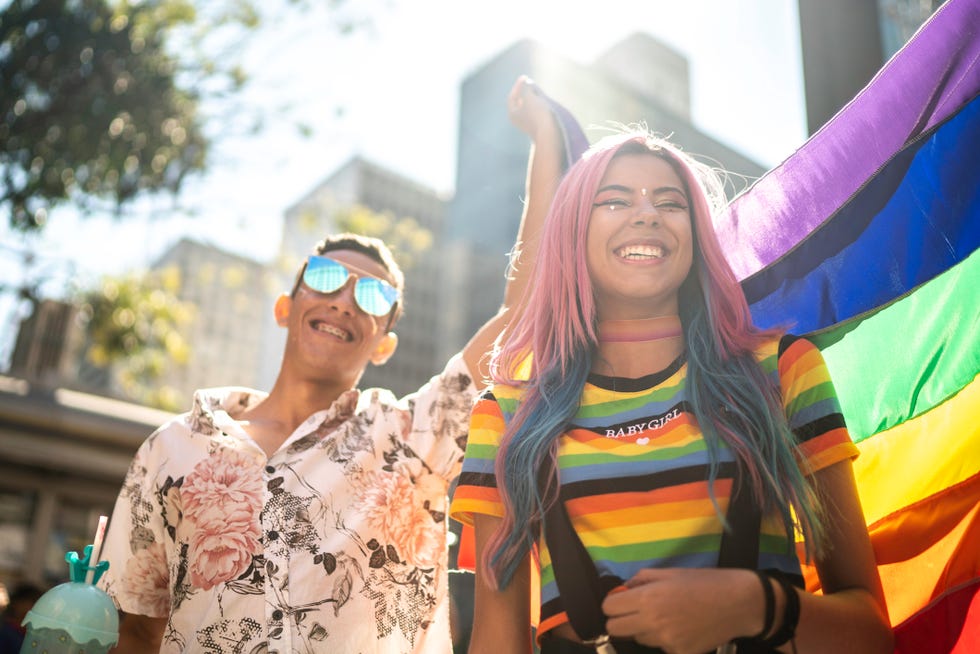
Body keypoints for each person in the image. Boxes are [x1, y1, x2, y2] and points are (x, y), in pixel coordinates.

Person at [96, 77, 564, 654]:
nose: (343, 299)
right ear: (286, 308)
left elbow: (521, 314)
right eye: (324, 278)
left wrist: (545, 137)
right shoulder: (171, 448)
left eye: (372, 298)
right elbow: (135, 628)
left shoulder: (410, 439)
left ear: (384, 344)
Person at [449, 123, 894, 652]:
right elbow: (497, 642)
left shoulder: (781, 371)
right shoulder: (506, 413)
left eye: (670, 202)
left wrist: (753, 605)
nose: (647, 214)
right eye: (613, 201)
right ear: (571, 232)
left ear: (696, 234)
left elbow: (870, 632)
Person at [0, 582, 44, 654]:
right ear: (15, 604)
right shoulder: (6, 632)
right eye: (24, 603)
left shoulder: (36, 633)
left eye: (34, 603)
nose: (30, 607)